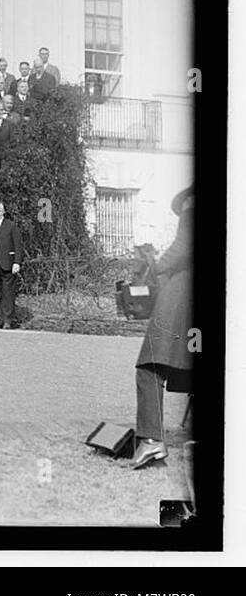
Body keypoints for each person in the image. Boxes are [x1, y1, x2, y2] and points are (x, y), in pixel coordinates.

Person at [132, 186, 194, 469]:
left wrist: (153, 267)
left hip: (181, 293)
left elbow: (181, 249)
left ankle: (151, 441)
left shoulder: (191, 208)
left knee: (150, 366)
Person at [0, 199, 24, 329]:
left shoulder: (11, 226)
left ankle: (8, 320)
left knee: (8, 293)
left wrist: (17, 262)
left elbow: (18, 245)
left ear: (4, 212)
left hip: (8, 263)